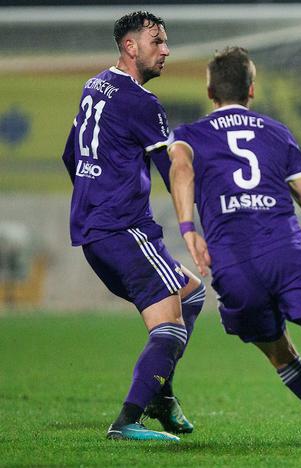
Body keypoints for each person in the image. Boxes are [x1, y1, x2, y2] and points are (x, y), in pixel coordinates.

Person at [166, 47, 301, 458]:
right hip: (288, 251)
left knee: (283, 358)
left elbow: (181, 169)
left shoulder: (190, 136)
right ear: (251, 89)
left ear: (210, 90)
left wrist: (188, 230)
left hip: (234, 264)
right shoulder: (277, 132)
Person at [61, 11, 206, 442]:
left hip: (93, 228)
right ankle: (127, 419)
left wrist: (95, 195)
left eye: (165, 42)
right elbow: (171, 168)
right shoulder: (141, 102)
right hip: (123, 229)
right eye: (157, 41)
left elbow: (72, 156)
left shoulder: (95, 86)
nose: (166, 50)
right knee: (172, 326)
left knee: (191, 292)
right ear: (130, 47)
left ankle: (160, 393)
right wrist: (191, 226)